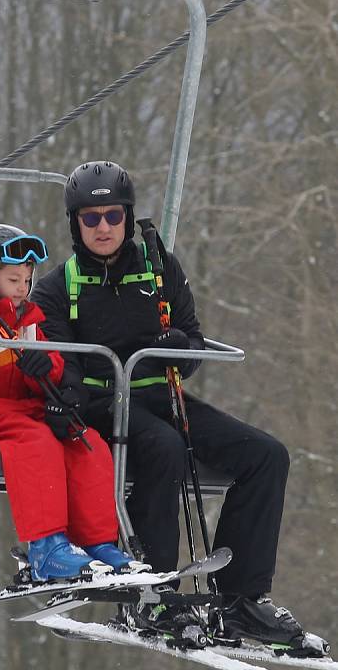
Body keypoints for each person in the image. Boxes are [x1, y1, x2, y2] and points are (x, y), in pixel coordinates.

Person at [30, 160, 320, 650]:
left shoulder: (159, 271)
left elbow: (192, 347)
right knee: (162, 446)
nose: (104, 227)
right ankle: (154, 590)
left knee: (266, 455)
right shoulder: (61, 287)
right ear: (75, 224)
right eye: (91, 218)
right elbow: (62, 365)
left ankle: (241, 598)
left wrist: (178, 344)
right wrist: (69, 395)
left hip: (161, 394)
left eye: (114, 216)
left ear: (128, 216)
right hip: (104, 403)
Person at [0, 222, 148, 582]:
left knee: (87, 442)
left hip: (23, 412)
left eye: (26, 280)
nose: (22, 289)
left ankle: (95, 543)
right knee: (37, 443)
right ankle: (46, 547)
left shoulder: (28, 321)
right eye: (13, 279)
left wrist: (46, 371)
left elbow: (56, 364)